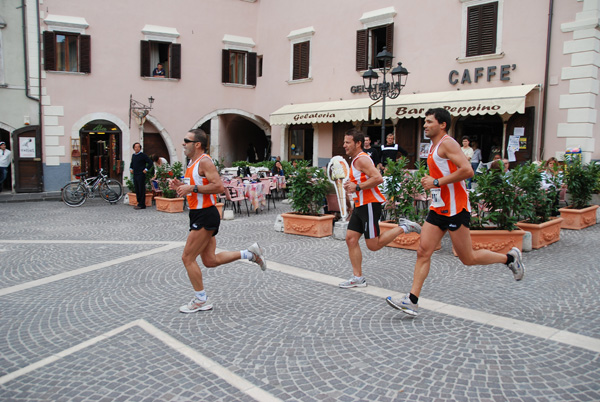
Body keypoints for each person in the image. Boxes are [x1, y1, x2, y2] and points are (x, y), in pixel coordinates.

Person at [386, 108, 524, 317]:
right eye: (424, 122)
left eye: (429, 122)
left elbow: (468, 170)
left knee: (467, 258)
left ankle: (509, 258)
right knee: (423, 250)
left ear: (442, 124)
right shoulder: (433, 146)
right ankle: (412, 300)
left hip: (456, 208)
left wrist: (436, 182)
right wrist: (433, 184)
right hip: (439, 207)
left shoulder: (448, 143)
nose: (425, 125)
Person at [169, 129, 267, 313]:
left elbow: (218, 187)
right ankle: (250, 254)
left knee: (187, 258)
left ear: (197, 144)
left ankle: (201, 300)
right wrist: (181, 187)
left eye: (186, 140)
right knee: (210, 260)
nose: (183, 143)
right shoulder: (191, 163)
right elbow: (195, 189)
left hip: (205, 214)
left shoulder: (204, 161)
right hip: (199, 214)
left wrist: (192, 187)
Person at [339, 128, 421, 289]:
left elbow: (378, 178)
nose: (344, 145)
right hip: (360, 205)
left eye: (347, 142)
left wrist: (357, 187)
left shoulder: (361, 159)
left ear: (358, 143)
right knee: (351, 238)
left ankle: (404, 227)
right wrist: (352, 188)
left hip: (369, 204)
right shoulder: (356, 159)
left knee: (373, 245)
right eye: (344, 142)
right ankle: (358, 278)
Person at [129, 142, 153, 210]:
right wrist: (131, 168)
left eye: (138, 147)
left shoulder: (143, 155)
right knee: (137, 189)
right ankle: (139, 202)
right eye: (135, 147)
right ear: (133, 148)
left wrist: (146, 169)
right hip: (135, 174)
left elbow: (150, 162)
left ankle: (142, 204)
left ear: (140, 148)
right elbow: (132, 163)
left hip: (141, 175)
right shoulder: (133, 155)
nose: (137, 148)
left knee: (141, 189)